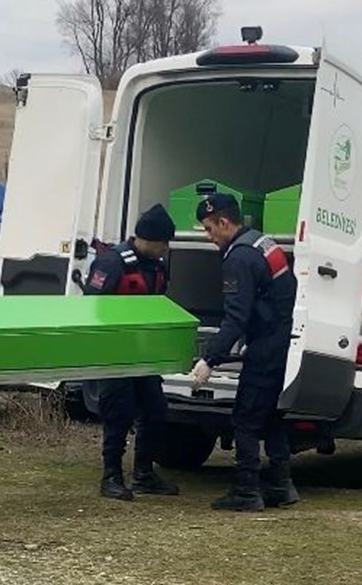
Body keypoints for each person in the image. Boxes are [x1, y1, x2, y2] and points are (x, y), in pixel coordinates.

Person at [190, 193, 299, 512]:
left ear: (224, 222)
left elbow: (236, 318)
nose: (209, 238)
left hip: (265, 346)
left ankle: (247, 492)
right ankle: (281, 486)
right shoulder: (262, 242)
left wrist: (209, 359)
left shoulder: (238, 258)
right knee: (271, 417)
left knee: (246, 419)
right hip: (281, 339)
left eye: (209, 229)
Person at [82, 204, 181, 501]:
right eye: (163, 243)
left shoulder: (157, 265)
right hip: (116, 352)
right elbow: (91, 306)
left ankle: (144, 474)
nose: (166, 249)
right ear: (149, 239)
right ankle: (111, 476)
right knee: (118, 414)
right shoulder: (112, 263)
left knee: (155, 411)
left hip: (143, 352)